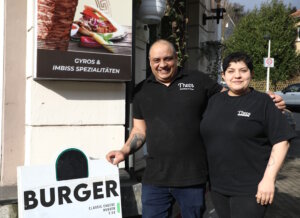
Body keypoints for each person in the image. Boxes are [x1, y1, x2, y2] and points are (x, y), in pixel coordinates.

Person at [106, 40, 285, 218]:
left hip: (192, 179)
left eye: (167, 59)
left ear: (176, 58)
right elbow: (139, 130)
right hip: (155, 179)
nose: (162, 65)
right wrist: (124, 151)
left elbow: (231, 95)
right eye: (156, 60)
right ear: (149, 61)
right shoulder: (141, 91)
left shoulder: (197, 80)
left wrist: (266, 100)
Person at [200, 52, 297, 218]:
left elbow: (282, 142)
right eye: (231, 71)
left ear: (251, 74)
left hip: (251, 188)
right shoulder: (214, 101)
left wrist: (268, 180)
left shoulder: (263, 102)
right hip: (218, 186)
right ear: (223, 75)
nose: (237, 75)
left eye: (243, 70)